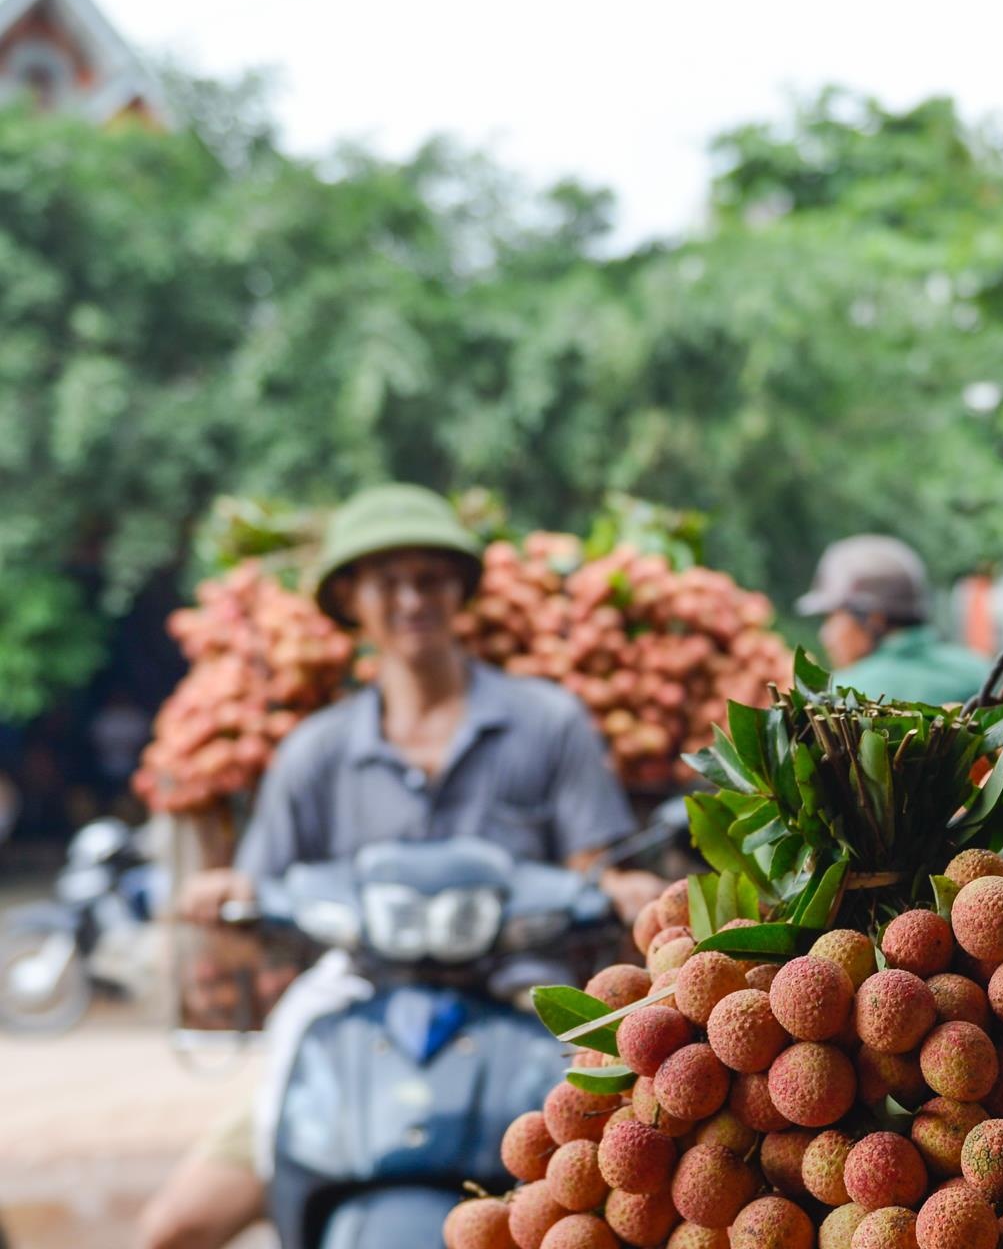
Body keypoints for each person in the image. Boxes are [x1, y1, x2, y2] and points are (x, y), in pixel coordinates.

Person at [139, 484, 657, 1249]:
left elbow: (598, 872)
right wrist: (225, 900)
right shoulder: (316, 752)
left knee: (614, 1213)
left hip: (522, 1003)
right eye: (388, 581)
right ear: (351, 598)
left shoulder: (547, 722)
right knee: (170, 1228)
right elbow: (258, 907)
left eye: (431, 578)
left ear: (461, 590)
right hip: (352, 1001)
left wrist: (624, 889)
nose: (413, 598)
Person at [797, 534, 990, 705]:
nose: (825, 635)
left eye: (831, 618)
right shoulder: (981, 673)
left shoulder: (840, 694)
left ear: (874, 620)